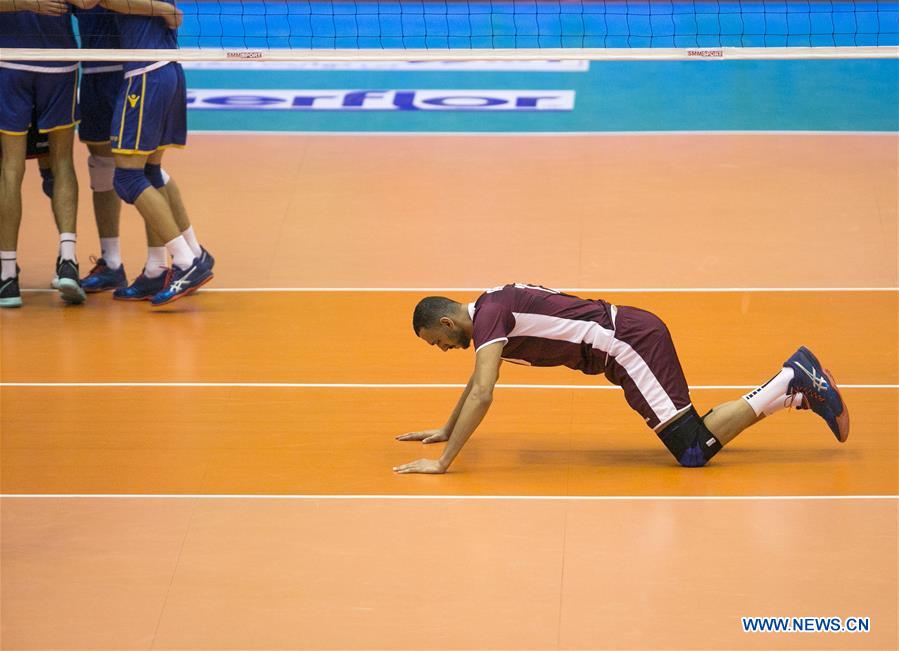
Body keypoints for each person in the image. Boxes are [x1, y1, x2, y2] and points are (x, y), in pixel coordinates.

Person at [394, 283, 849, 474]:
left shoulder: (490, 317)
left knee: (690, 450)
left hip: (627, 343)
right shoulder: (490, 310)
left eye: (435, 341)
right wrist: (446, 428)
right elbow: (476, 381)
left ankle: (791, 379)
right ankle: (792, 393)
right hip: (625, 345)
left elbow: (484, 392)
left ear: (447, 324)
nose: (440, 349)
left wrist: (444, 461)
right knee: (687, 440)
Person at [98, 0, 214, 305]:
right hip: (166, 70)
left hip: (146, 74)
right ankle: (190, 256)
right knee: (149, 173)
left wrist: (162, 11)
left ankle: (187, 263)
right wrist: (163, 10)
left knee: (127, 178)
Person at [0, 0, 99, 308]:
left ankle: (6, 278)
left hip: (11, 61)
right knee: (61, 162)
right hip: (56, 63)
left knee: (11, 168)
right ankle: (68, 260)